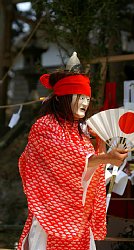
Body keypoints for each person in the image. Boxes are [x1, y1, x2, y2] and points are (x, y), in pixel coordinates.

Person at [17, 53, 128, 250]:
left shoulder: (81, 131)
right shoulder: (44, 127)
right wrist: (106, 157)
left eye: (87, 98)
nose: (85, 103)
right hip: (49, 211)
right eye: (80, 97)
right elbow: (71, 159)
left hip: (79, 213)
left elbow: (86, 167)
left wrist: (100, 142)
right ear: (65, 98)